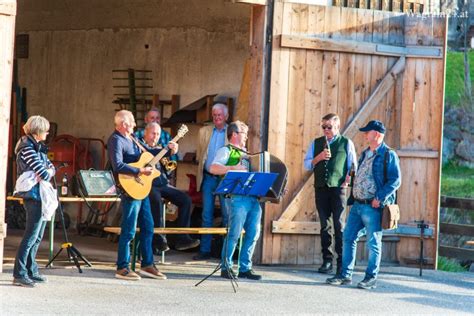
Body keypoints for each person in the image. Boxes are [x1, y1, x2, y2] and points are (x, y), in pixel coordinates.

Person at [326, 120, 401, 290]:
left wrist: (379, 197)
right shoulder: (365, 153)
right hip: (358, 205)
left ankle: (370, 278)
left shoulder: (389, 155)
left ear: (377, 134)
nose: (365, 135)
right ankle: (345, 275)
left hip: (372, 206)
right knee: (348, 238)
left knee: (373, 242)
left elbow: (395, 180)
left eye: (368, 132)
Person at [107, 110, 166, 281]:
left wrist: (167, 151)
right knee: (129, 229)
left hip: (142, 189)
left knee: (148, 227)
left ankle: (147, 264)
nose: (134, 125)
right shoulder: (116, 140)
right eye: (132, 122)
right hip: (129, 189)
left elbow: (149, 152)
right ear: (124, 124)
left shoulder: (133, 139)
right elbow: (117, 165)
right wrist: (140, 170)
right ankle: (122, 267)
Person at [304, 113, 357, 275]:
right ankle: (327, 260)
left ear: (337, 127)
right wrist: (318, 158)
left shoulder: (346, 143)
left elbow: (353, 166)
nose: (326, 130)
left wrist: (347, 179)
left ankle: (341, 261)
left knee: (339, 225)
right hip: (321, 188)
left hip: (338, 189)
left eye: (330, 127)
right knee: (324, 226)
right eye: (324, 127)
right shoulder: (316, 143)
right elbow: (307, 165)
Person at [210, 121, 263, 280]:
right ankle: (226, 267)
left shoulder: (249, 154)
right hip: (236, 198)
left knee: (254, 233)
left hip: (253, 198)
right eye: (244, 133)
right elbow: (213, 168)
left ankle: (245, 268)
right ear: (234, 134)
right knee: (234, 232)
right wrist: (231, 168)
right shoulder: (226, 151)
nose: (247, 137)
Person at [140, 122, 200, 252]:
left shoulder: (162, 149)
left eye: (157, 134)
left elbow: (169, 169)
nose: (155, 137)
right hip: (149, 185)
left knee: (186, 200)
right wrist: (165, 151)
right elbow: (150, 153)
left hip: (163, 184)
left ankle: (182, 238)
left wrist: (171, 155)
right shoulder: (140, 147)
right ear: (146, 133)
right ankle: (159, 240)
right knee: (156, 200)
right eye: (152, 133)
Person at [12, 116, 55, 287]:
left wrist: (48, 170)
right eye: (45, 130)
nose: (47, 133)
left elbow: (50, 167)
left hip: (41, 196)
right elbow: (45, 173)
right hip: (33, 196)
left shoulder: (37, 147)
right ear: (38, 131)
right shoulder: (26, 148)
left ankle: (31, 269)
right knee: (30, 236)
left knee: (37, 237)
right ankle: (19, 274)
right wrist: (48, 171)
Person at [193, 103, 229, 260]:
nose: (216, 118)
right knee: (206, 214)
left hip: (225, 179)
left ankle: (225, 252)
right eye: (214, 115)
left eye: (219, 115)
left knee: (227, 215)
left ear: (226, 116)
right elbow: (200, 154)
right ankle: (205, 250)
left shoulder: (232, 131)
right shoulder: (204, 131)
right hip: (208, 177)